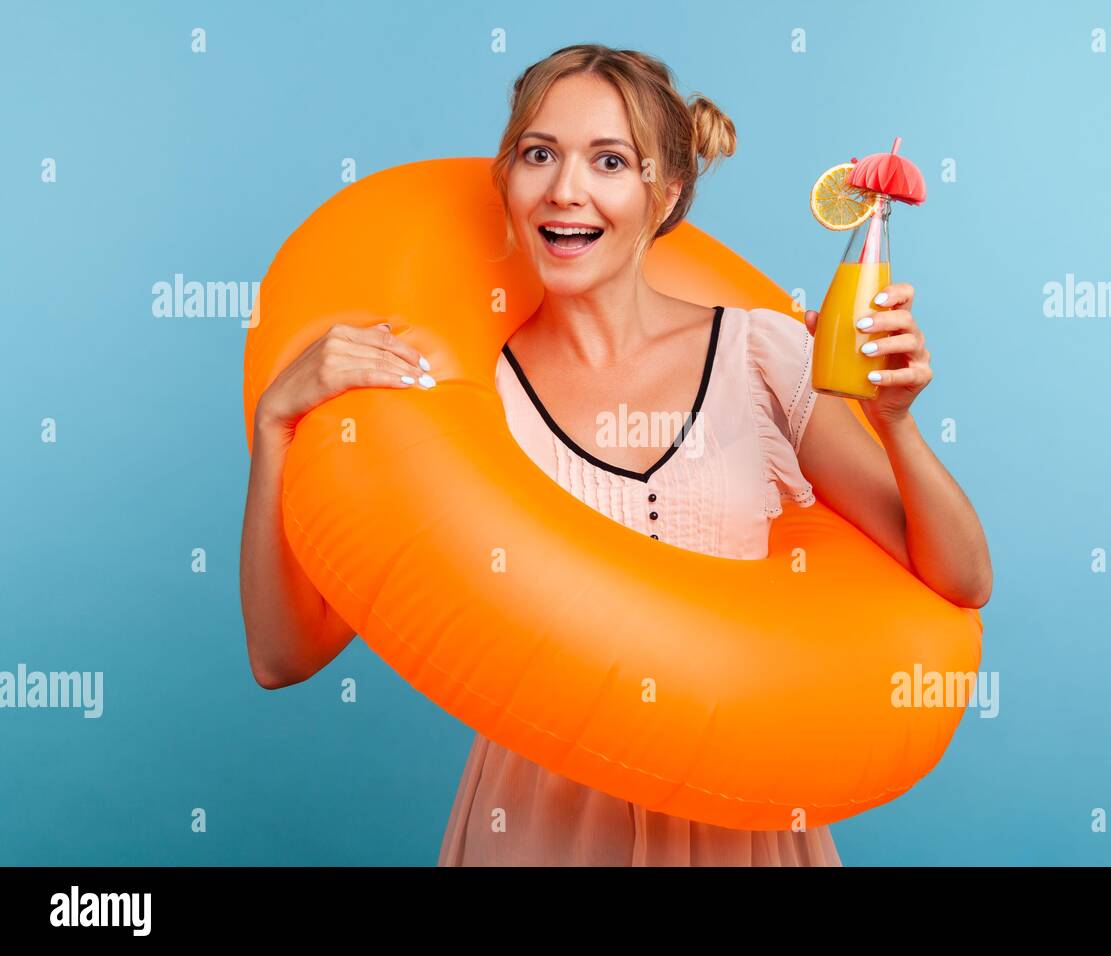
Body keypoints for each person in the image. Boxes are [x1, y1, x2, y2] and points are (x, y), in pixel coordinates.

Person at [240, 43, 992, 867]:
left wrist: (896, 424)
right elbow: (282, 658)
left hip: (741, 821)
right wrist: (276, 432)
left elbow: (960, 578)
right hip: (534, 832)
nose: (566, 190)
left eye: (609, 161)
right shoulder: (452, 402)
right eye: (538, 155)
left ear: (664, 193)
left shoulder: (762, 354)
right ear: (507, 180)